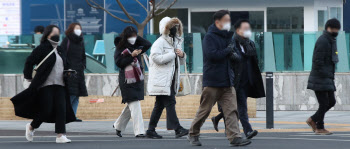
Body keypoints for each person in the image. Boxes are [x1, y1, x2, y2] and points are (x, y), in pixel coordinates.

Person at [187, 10, 251, 147]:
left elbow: (234, 55)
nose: (229, 23)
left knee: (232, 110)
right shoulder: (209, 37)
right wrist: (228, 51)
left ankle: (235, 137)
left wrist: (234, 55)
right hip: (212, 81)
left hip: (227, 81)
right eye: (226, 20)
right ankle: (193, 134)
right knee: (204, 110)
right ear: (218, 22)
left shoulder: (229, 37)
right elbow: (212, 55)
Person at [10, 25, 76, 143]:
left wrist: (69, 72)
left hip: (60, 84)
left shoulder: (60, 49)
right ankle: (31, 127)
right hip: (46, 85)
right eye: (54, 33)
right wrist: (28, 77)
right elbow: (29, 62)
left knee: (61, 109)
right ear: (48, 34)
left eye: (58, 32)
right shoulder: (42, 48)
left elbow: (66, 64)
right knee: (46, 110)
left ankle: (60, 135)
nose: (57, 35)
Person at [211, 19, 265, 139]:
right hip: (234, 81)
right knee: (235, 107)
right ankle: (239, 130)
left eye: (248, 29)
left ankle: (243, 129)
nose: (247, 31)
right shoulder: (231, 43)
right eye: (245, 29)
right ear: (238, 30)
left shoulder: (250, 44)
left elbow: (254, 61)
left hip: (246, 80)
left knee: (238, 107)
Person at [146, 17, 189, 139]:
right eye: (172, 27)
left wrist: (182, 55)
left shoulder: (175, 42)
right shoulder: (159, 42)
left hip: (170, 79)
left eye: (176, 27)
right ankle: (177, 128)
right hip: (162, 80)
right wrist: (172, 54)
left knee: (159, 105)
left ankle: (151, 129)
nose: (174, 29)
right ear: (166, 28)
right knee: (170, 102)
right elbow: (155, 57)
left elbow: (180, 62)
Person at [112, 26, 152, 138]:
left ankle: (118, 126)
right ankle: (139, 131)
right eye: (131, 37)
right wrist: (131, 56)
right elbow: (119, 63)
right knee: (135, 104)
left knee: (131, 105)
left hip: (137, 78)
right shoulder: (120, 47)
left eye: (135, 36)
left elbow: (148, 44)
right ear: (126, 37)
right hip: (126, 80)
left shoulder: (136, 46)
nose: (133, 39)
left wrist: (136, 38)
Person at [306, 18, 340, 135]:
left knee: (331, 102)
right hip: (320, 77)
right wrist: (324, 74)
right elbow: (317, 61)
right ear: (328, 28)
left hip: (327, 77)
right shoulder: (323, 41)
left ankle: (318, 126)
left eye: (337, 29)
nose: (336, 31)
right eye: (334, 28)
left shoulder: (330, 40)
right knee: (325, 103)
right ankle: (314, 122)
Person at [60, 23, 88, 122]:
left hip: (79, 72)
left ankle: (72, 116)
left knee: (76, 95)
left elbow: (83, 55)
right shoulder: (66, 40)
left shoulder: (81, 41)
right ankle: (66, 115)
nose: (79, 30)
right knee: (71, 94)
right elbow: (62, 55)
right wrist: (67, 68)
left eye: (80, 28)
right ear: (71, 29)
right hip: (70, 72)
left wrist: (83, 65)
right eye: (76, 28)